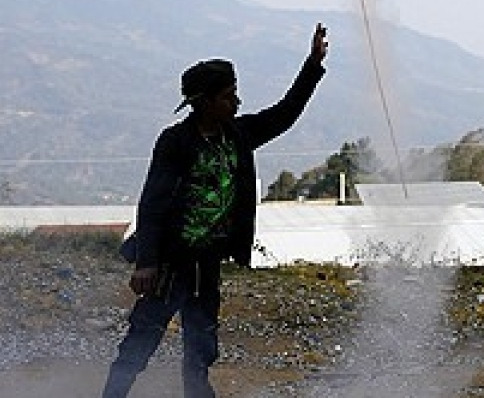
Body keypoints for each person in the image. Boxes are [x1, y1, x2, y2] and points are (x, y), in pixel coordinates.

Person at [102, 23, 329, 398]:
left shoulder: (238, 135)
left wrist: (313, 64)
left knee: (202, 343)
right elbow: (153, 203)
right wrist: (146, 262)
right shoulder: (175, 141)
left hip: (205, 262)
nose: (236, 103)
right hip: (171, 262)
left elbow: (285, 113)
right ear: (204, 102)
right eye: (228, 97)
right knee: (141, 339)